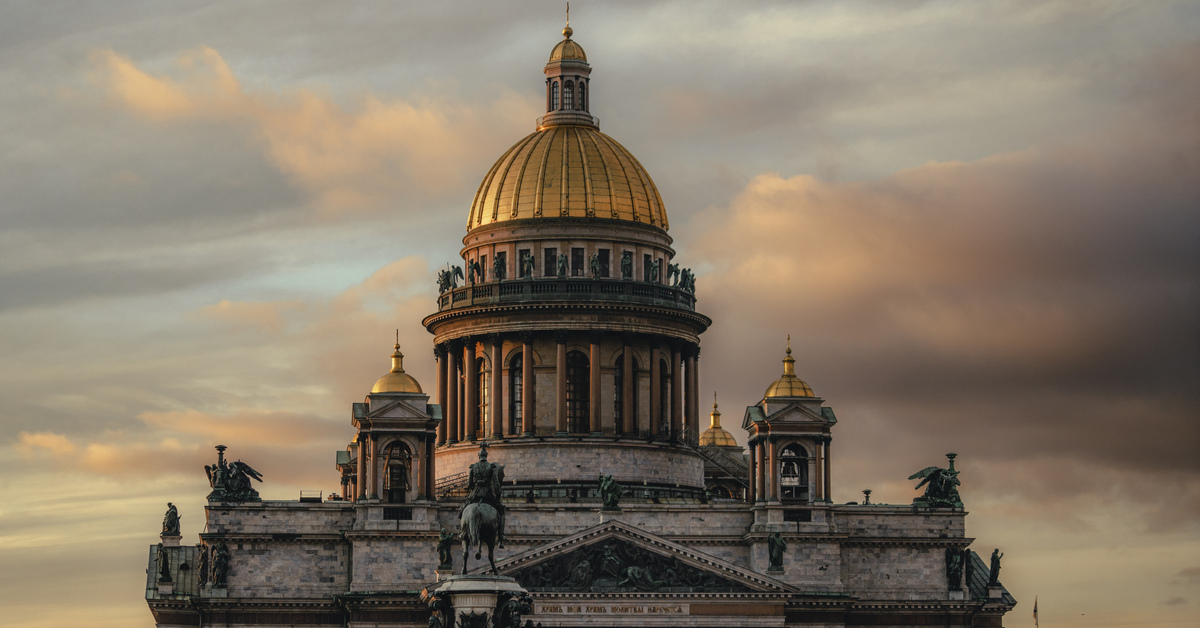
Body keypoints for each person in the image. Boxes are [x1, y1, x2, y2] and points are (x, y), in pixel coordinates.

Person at [462, 444, 505, 547]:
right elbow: (495, 482)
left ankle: (462, 532)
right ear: (486, 455)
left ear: (479, 455)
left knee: (462, 510)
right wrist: (498, 494)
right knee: (501, 511)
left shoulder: (473, 467)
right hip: (487, 494)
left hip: (475, 493)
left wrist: (474, 486)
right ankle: (501, 537)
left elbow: (469, 484)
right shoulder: (491, 467)